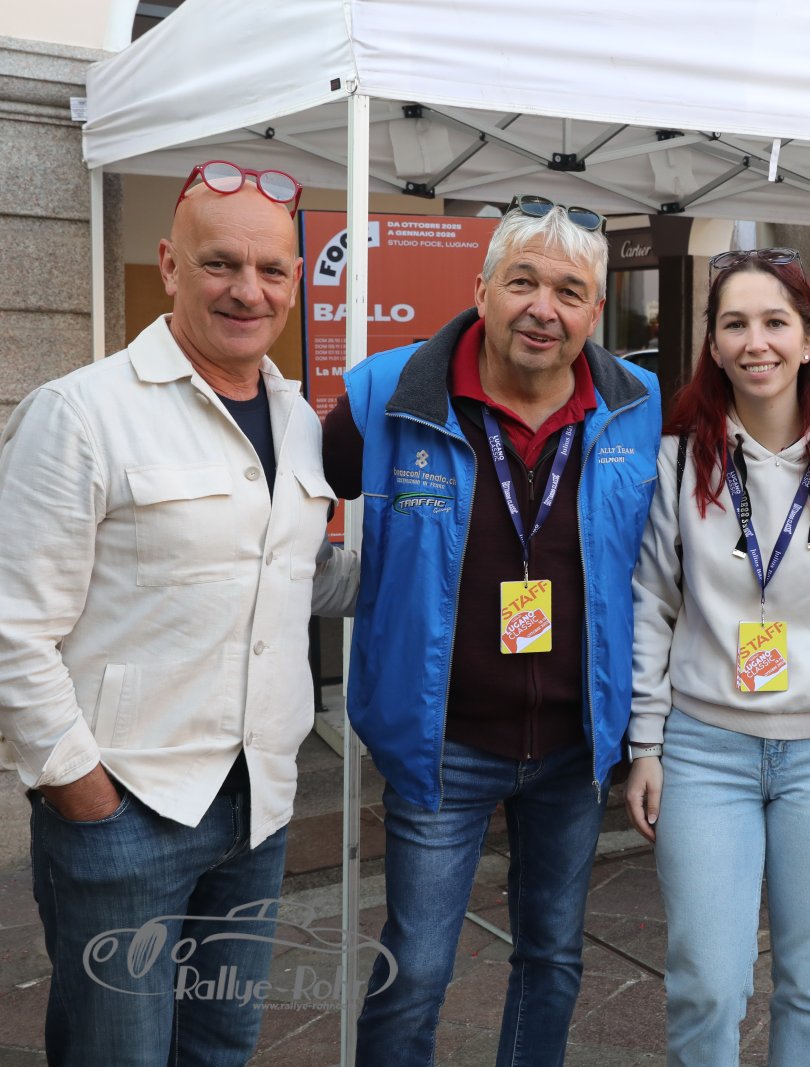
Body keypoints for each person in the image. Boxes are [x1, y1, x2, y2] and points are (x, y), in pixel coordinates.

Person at [0, 160, 357, 1066]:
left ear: (295, 281)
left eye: (271, 270)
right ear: (169, 264)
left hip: (258, 806)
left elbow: (297, 577)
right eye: (220, 264)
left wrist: (444, 567)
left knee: (219, 1047)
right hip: (127, 809)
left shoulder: (299, 419)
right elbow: (13, 627)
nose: (249, 290)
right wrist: (82, 791)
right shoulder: (80, 413)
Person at [322, 195, 661, 1067]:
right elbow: (287, 517)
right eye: (522, 282)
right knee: (416, 969)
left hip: (574, 745)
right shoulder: (382, 396)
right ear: (481, 290)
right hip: (443, 742)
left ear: (595, 310)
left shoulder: (638, 407)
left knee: (553, 958)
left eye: (569, 291)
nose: (543, 308)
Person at [625, 248, 810, 1066]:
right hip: (704, 749)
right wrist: (645, 743)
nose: (757, 342)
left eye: (776, 322)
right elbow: (653, 603)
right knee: (708, 980)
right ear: (713, 345)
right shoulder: (679, 461)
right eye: (736, 324)